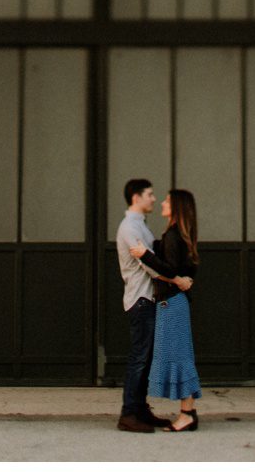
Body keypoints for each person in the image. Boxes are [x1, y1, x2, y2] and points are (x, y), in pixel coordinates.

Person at [114, 178, 190, 433]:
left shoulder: (140, 226)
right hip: (141, 299)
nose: (154, 199)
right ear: (136, 197)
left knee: (145, 358)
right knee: (139, 357)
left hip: (148, 299)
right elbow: (150, 266)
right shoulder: (130, 228)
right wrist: (178, 280)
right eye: (150, 194)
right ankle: (129, 414)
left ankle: (139, 409)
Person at [132, 188, 202, 431]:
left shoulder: (173, 235)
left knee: (179, 358)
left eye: (167, 201)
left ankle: (187, 415)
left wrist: (144, 255)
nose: (162, 203)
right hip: (176, 301)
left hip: (170, 302)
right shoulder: (182, 235)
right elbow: (188, 269)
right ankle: (188, 412)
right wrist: (184, 279)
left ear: (177, 207)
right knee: (181, 357)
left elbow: (170, 269)